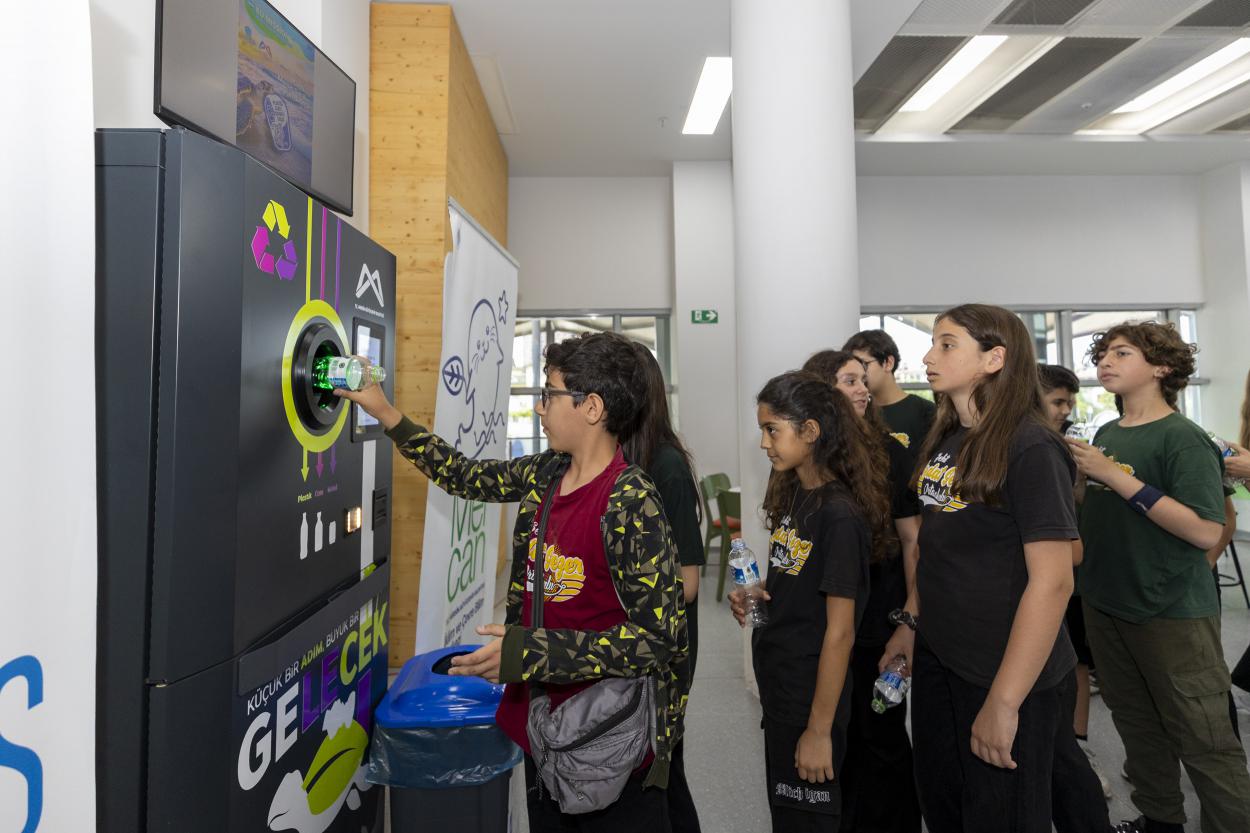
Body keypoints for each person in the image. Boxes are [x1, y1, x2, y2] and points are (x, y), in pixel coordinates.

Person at [336, 332, 689, 832]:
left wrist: (531, 652)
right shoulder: (547, 472)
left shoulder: (632, 500)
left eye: (549, 394)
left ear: (591, 407)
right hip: (541, 720)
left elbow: (658, 639)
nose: (540, 408)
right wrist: (387, 413)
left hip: (607, 733)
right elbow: (465, 476)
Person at [880, 304, 1079, 833]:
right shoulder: (948, 443)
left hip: (1002, 668)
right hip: (942, 658)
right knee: (945, 806)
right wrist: (909, 622)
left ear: (995, 359)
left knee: (1002, 817)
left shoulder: (1031, 447)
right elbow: (936, 546)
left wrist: (1005, 701)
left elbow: (1055, 579)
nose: (927, 356)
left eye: (947, 344)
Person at [1069, 321, 1250, 833]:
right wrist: (1084, 483)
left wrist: (1115, 477)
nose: (1105, 361)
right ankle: (1161, 820)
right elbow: (1106, 510)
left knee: (1204, 736)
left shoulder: (1184, 438)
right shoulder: (1106, 433)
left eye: (1121, 353)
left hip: (1169, 611)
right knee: (1136, 723)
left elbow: (1202, 528)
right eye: (1103, 353)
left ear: (1162, 367)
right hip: (1107, 603)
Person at [729, 371, 893, 833]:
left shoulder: (838, 516)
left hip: (811, 699)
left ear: (811, 431)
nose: (764, 443)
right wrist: (758, 593)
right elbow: (799, 583)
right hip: (783, 689)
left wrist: (819, 731)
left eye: (772, 430)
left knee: (808, 822)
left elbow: (840, 632)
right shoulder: (799, 494)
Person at [802, 349, 922, 833]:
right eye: (848, 380)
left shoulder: (888, 452)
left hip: (879, 623)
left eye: (862, 379)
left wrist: (910, 622)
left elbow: (914, 539)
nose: (862, 388)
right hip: (826, 624)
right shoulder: (807, 459)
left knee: (882, 740)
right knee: (837, 738)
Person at [622, 342, 704, 833]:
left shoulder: (666, 465)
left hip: (665, 647)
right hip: (631, 642)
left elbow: (689, 584)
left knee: (663, 771)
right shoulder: (621, 459)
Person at [843, 328, 936, 457]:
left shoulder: (925, 412)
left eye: (863, 364)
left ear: (888, 363)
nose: (859, 372)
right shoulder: (855, 413)